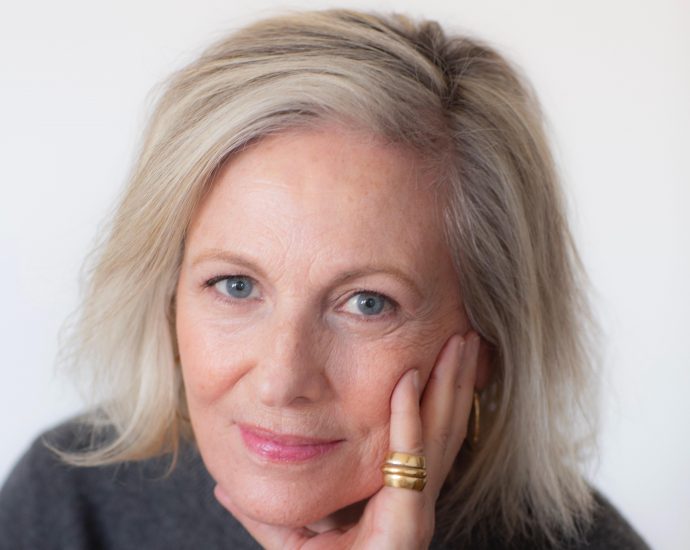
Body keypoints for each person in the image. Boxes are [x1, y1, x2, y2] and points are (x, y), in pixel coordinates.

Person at [0, 9, 649, 549]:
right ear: (168, 299)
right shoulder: (70, 502)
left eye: (367, 303)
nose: (282, 380)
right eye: (235, 286)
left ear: (487, 343)